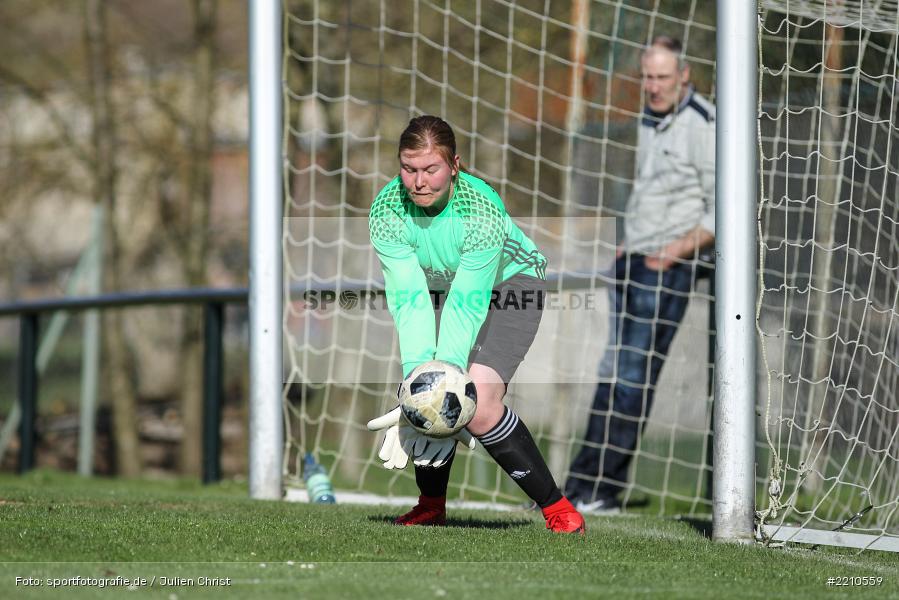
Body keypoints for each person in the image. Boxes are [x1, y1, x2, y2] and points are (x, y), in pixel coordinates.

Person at [366, 115, 585, 534]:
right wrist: (419, 377)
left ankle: (558, 510)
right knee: (427, 393)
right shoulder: (385, 210)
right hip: (442, 290)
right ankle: (431, 506)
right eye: (409, 168)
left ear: (454, 166)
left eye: (431, 169)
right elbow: (409, 300)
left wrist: (442, 377)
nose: (418, 181)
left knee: (477, 405)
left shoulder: (481, 208)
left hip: (513, 284)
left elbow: (468, 302)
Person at [564, 36, 716, 513]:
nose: (652, 87)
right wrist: (630, 244)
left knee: (633, 375)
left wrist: (670, 253)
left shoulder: (706, 125)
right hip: (633, 260)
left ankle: (603, 490)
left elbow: (722, 210)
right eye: (647, 77)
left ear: (684, 76)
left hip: (667, 269)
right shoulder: (651, 116)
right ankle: (578, 488)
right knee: (610, 372)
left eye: (662, 78)